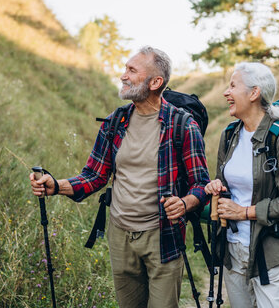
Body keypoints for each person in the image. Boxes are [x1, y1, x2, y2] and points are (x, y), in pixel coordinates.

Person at [29, 46, 210, 308]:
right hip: (120, 235)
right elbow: (95, 175)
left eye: (132, 70)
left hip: (163, 236)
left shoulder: (182, 125)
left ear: (155, 82)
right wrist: (56, 186)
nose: (123, 75)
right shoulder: (116, 121)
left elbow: (201, 184)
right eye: (125, 68)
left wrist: (185, 203)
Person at [205, 62, 279, 308]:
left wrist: (244, 212)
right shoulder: (229, 136)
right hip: (232, 249)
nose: (226, 92)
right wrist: (216, 187)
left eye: (232, 85)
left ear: (254, 93)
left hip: (268, 253)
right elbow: (227, 182)